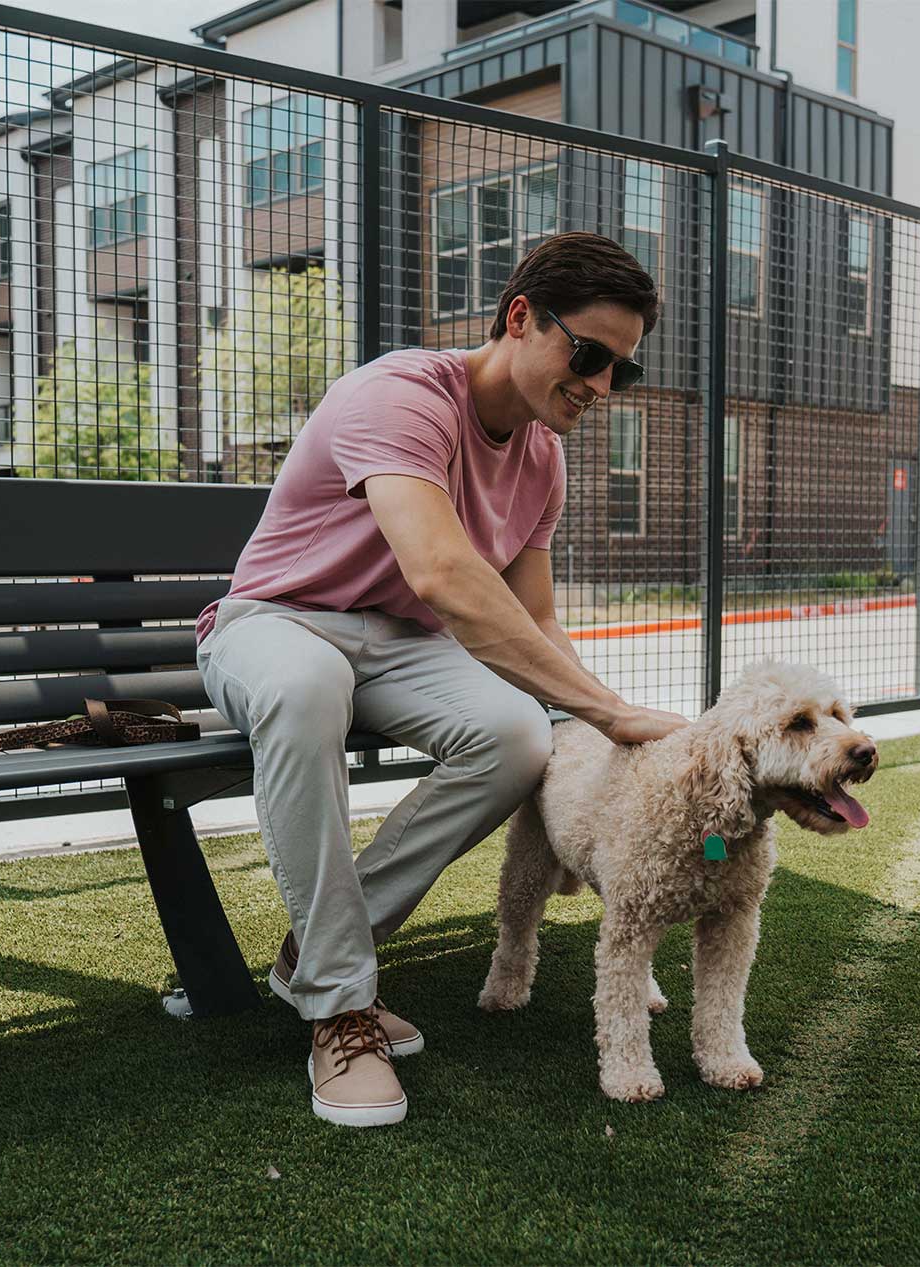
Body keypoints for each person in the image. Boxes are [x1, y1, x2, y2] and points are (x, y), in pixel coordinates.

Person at [193, 231, 690, 1127]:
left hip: (397, 644)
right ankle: (341, 1006)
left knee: (517, 736)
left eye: (624, 370)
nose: (603, 386)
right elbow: (443, 575)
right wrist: (612, 713)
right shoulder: (403, 394)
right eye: (589, 355)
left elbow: (533, 616)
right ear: (519, 318)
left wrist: (583, 720)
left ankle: (317, 949)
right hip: (275, 621)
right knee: (306, 688)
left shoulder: (543, 456)